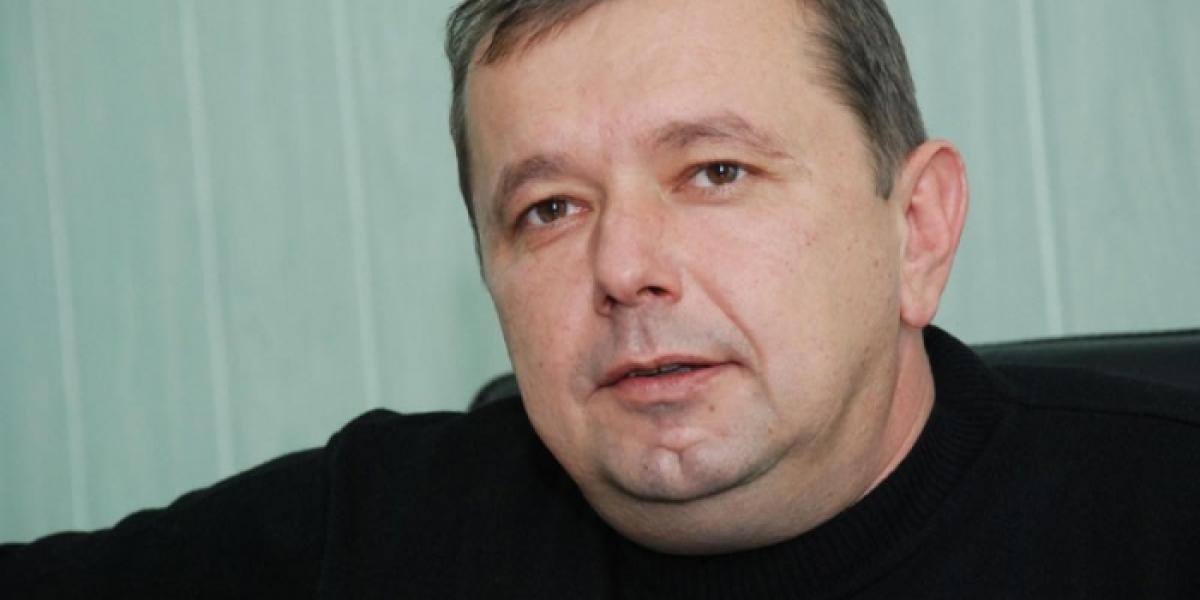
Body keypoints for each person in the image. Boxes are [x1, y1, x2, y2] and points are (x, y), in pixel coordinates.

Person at [3, 0, 1198, 597]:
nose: (623, 267)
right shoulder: (374, 536)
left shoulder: (1163, 519)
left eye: (714, 172)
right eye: (549, 209)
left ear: (918, 229)